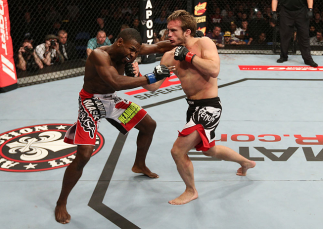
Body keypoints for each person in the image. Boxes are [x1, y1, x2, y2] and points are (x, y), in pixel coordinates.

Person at [128, 10, 256, 205]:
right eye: (168, 30)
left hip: (209, 107)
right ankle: (245, 162)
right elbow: (153, 86)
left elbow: (214, 70)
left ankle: (191, 190)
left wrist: (189, 57)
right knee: (209, 150)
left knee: (178, 150)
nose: (168, 34)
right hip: (192, 108)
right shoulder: (169, 56)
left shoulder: (204, 43)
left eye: (173, 30)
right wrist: (138, 76)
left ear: (187, 31)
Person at [55, 28, 173, 224]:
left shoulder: (132, 48)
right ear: (119, 42)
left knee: (149, 125)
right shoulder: (99, 55)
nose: (133, 55)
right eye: (131, 50)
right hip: (90, 102)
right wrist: (151, 77)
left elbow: (160, 46)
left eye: (136, 51)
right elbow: (115, 81)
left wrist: (187, 41)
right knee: (84, 155)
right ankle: (61, 202)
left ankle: (139, 164)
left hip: (111, 100)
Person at [272, 0, 318, 67]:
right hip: (286, 11)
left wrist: (310, 9)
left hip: (301, 11)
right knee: (284, 35)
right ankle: (283, 56)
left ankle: (308, 59)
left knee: (304, 35)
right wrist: (274, 12)